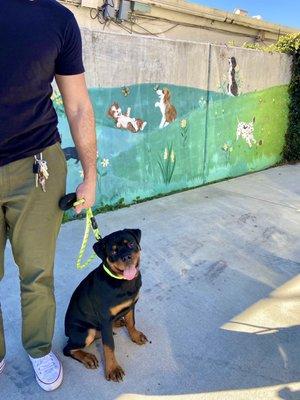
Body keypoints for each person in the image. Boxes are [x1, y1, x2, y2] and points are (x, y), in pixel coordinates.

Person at [0, 0, 97, 391]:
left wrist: (90, 174)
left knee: (37, 273)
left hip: (36, 164)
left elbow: (76, 104)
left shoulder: (57, 18)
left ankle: (39, 350)